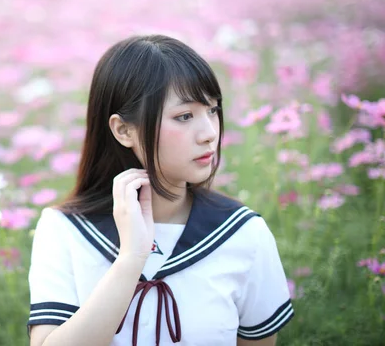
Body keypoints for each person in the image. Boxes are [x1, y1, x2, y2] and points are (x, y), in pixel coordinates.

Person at [27, 34, 294, 346]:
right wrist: (131, 258)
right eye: (184, 116)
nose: (209, 133)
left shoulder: (243, 233)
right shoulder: (66, 230)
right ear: (123, 130)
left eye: (212, 110)